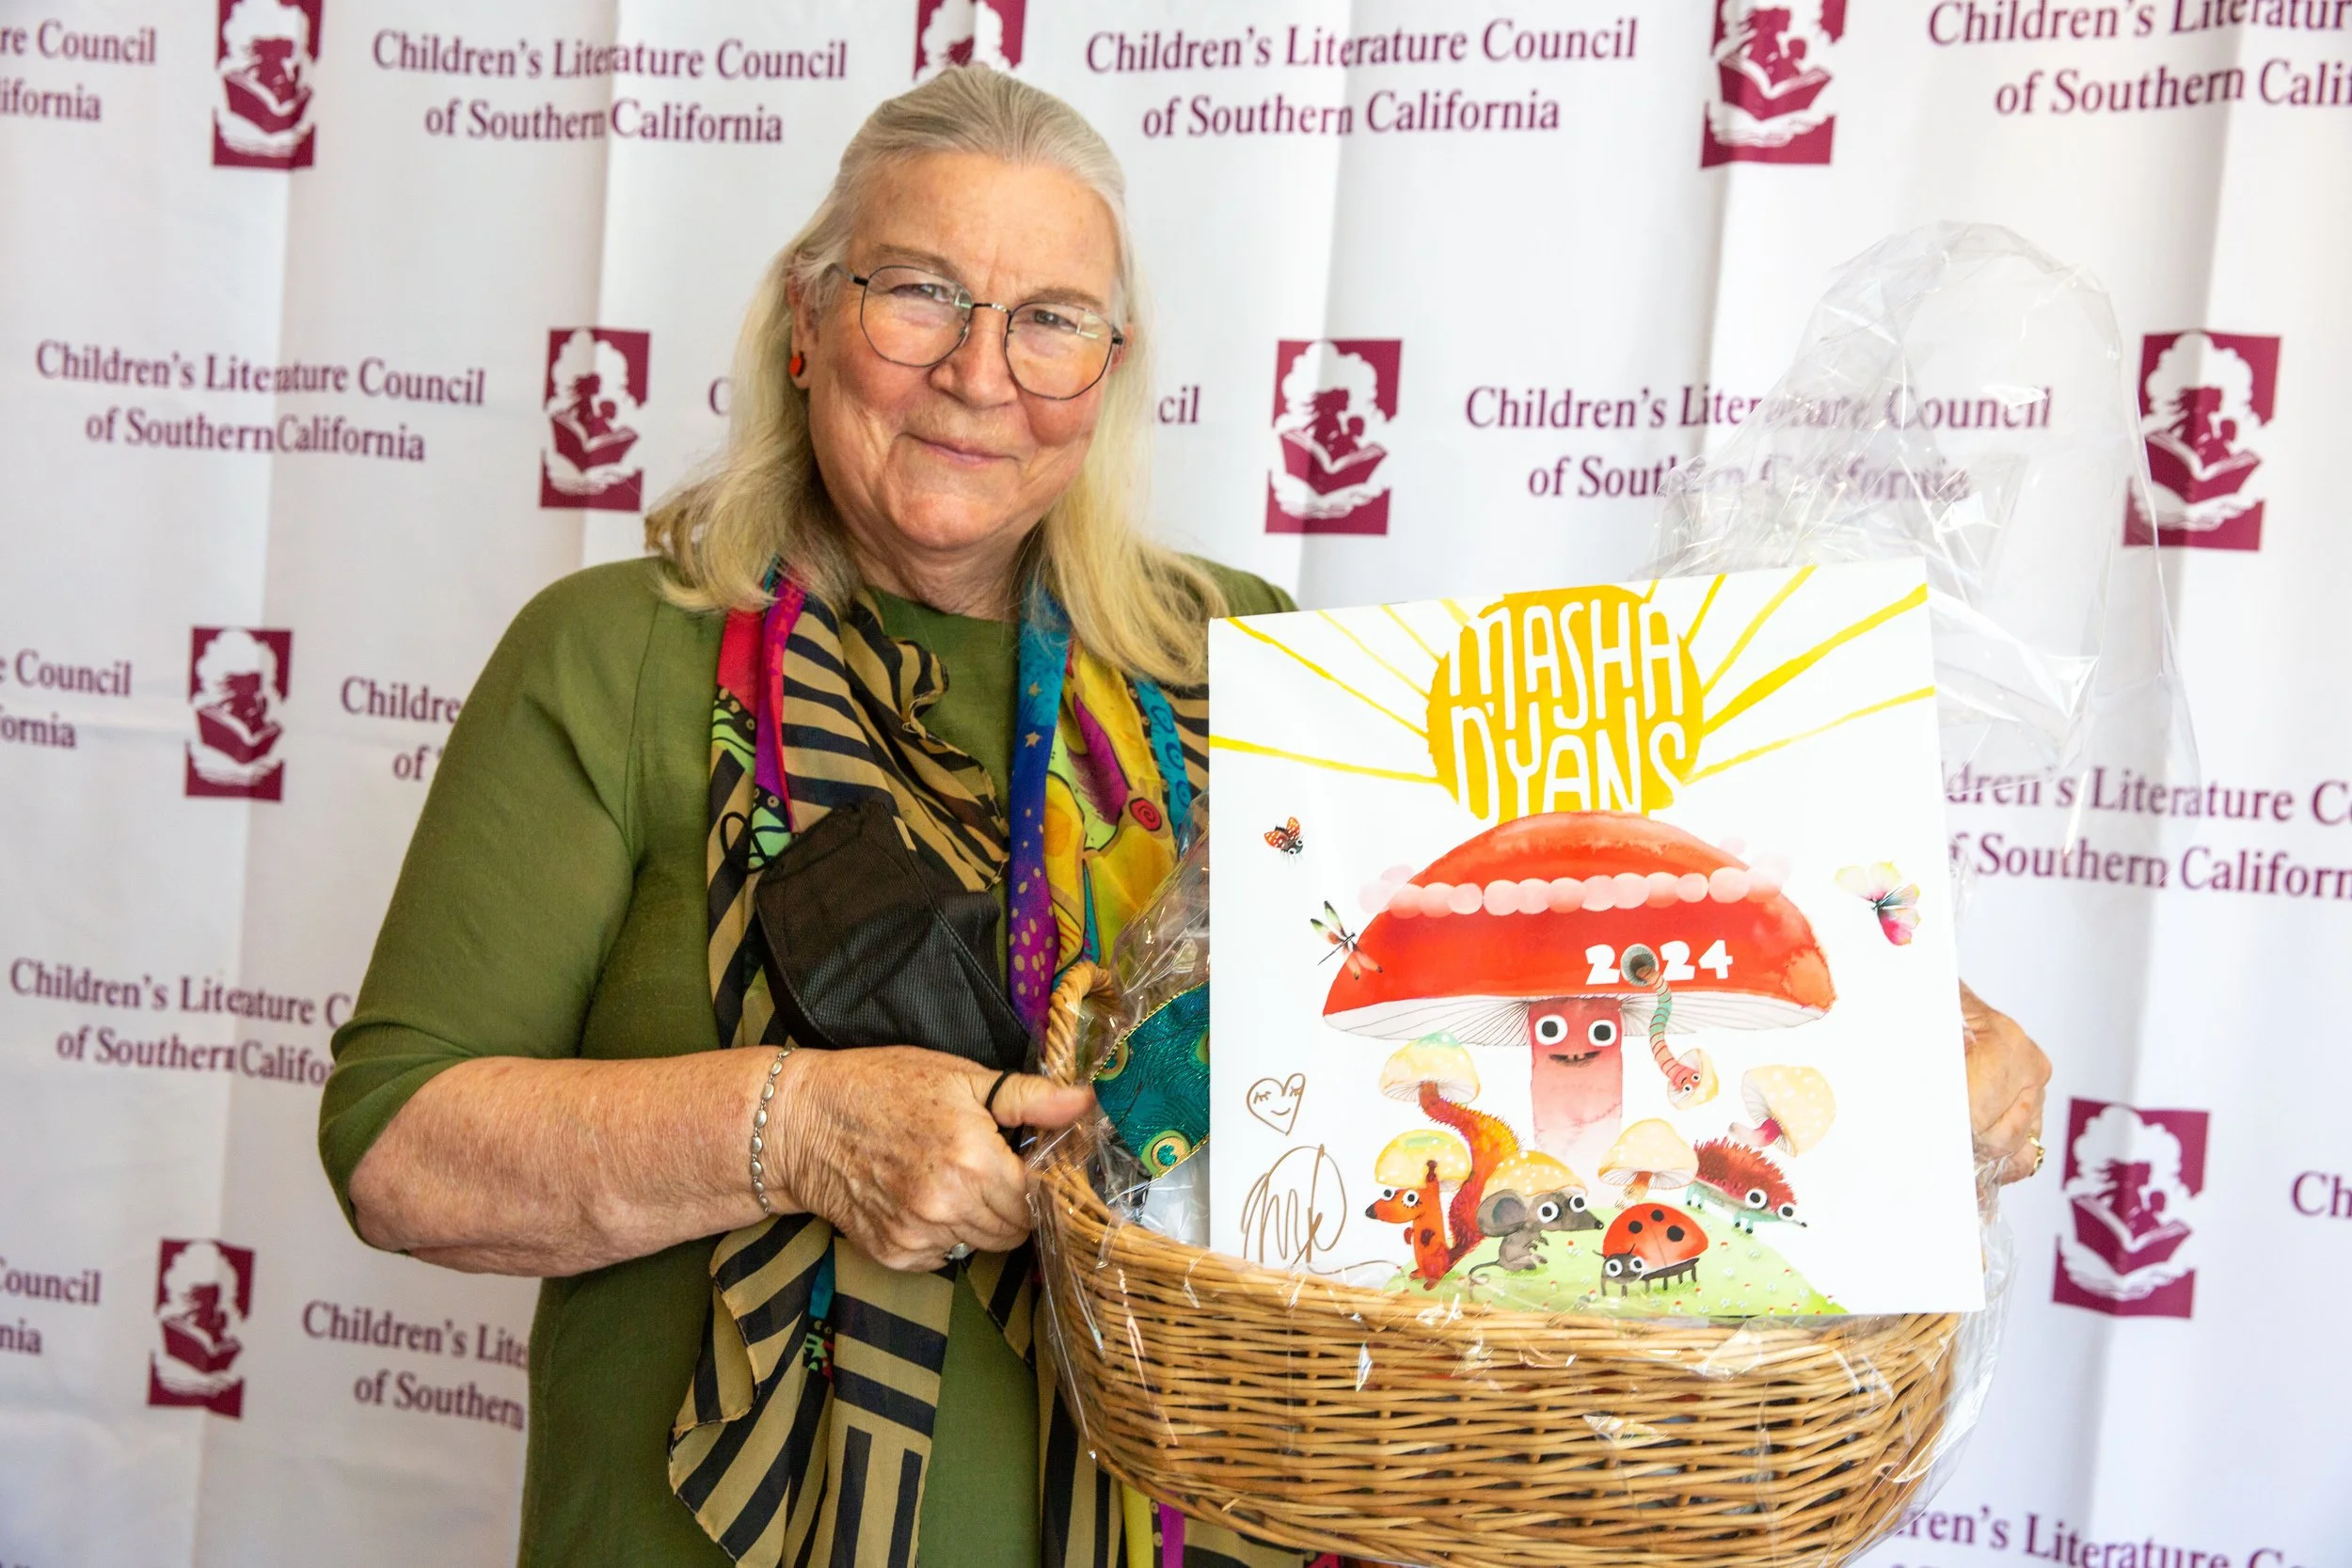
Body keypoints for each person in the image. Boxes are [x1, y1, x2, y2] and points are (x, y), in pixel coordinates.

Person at [319, 67, 2050, 1568]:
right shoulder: (621, 654)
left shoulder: (1251, 663)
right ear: (807, 315)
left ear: (1115, 365)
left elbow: (1501, 1034)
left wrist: (1898, 1067)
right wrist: (794, 1128)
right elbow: (403, 1151)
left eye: (1051, 318)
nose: (979, 371)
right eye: (917, 291)